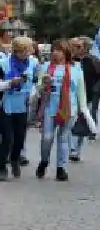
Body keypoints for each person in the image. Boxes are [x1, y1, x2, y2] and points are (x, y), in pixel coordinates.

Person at [36, 39, 86, 182]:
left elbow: (81, 92)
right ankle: (44, 161)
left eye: (58, 50)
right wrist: (43, 84)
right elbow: (38, 89)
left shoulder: (76, 69)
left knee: (63, 138)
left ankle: (61, 168)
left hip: (69, 109)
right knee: (47, 138)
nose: (55, 53)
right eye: (53, 50)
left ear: (65, 52)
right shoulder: (46, 67)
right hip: (50, 107)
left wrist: (83, 110)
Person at [0, 36, 37, 180]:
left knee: (20, 138)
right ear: (18, 51)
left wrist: (34, 93)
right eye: (27, 50)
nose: (29, 53)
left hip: (22, 104)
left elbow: (35, 81)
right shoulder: (3, 63)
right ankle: (1, 166)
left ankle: (15, 159)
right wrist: (11, 83)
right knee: (8, 138)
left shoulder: (32, 63)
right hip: (6, 104)